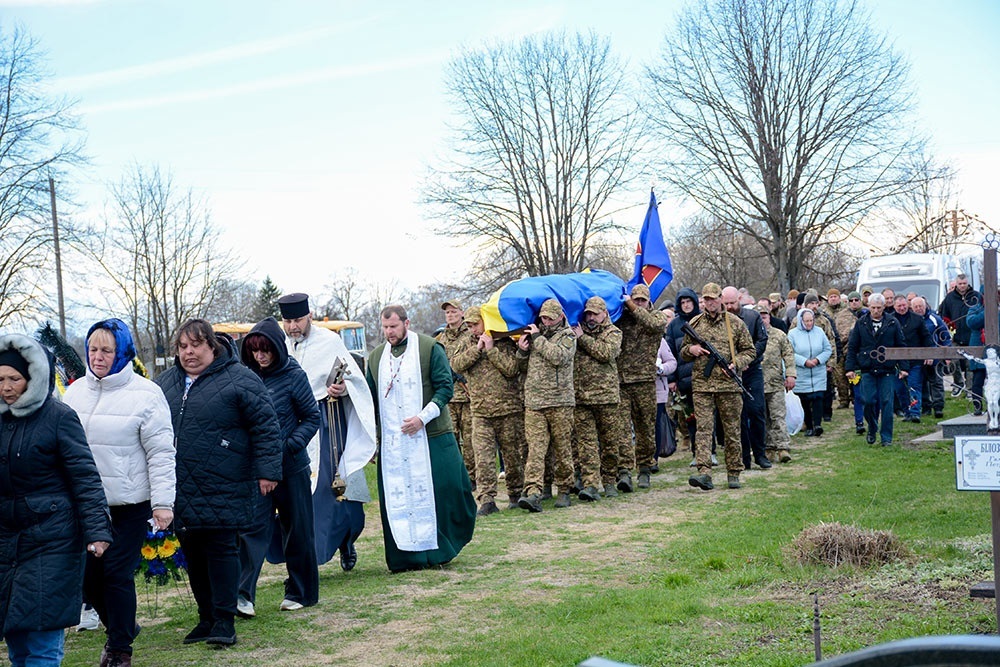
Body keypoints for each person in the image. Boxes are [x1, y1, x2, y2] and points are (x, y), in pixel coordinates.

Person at [155, 319, 282, 646]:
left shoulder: (240, 379)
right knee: (193, 554)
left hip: (226, 481)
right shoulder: (165, 383)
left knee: (223, 550)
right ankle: (206, 618)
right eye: (182, 347)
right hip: (181, 485)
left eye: (195, 345)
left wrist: (268, 470)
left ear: (212, 346)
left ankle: (225, 620)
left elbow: (266, 426)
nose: (188, 352)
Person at [63, 319, 175, 667]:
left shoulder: (146, 394)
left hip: (129, 503)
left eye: (107, 350)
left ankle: (119, 650)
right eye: (93, 349)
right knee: (87, 578)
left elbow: (161, 452)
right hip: (85, 503)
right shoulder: (75, 391)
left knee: (114, 572)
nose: (98, 357)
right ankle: (123, 627)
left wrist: (163, 504)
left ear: (122, 352)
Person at [0, 334, 113, 667]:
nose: (6, 387)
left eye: (14, 379)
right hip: (6, 541)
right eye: (0, 379)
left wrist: (97, 531)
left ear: (32, 378)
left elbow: (85, 477)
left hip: (52, 539)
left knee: (42, 633)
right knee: (15, 633)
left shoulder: (58, 417)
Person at [366, 305, 476, 572]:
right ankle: (407, 558)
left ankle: (441, 550)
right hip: (394, 443)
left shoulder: (429, 348)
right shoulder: (376, 357)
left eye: (393, 326)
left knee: (449, 489)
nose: (389, 332)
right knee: (399, 499)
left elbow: (445, 388)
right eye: (385, 327)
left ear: (406, 323)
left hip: (431, 433)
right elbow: (368, 396)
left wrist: (421, 418)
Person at [279, 293, 377, 574]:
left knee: (330, 488)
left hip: (326, 422)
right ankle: (309, 555)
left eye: (297, 320)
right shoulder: (281, 344)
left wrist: (343, 388)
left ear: (309, 316)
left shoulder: (329, 341)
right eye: (288, 321)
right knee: (298, 494)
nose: (293, 326)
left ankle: (345, 542)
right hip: (291, 425)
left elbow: (353, 379)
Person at [236, 318, 321, 617]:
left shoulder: (293, 375)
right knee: (252, 529)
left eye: (266, 350)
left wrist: (289, 445)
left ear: (276, 349)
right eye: (255, 351)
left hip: (292, 466)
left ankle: (301, 591)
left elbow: (312, 417)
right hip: (257, 468)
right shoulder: (246, 377)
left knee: (297, 529)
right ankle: (242, 594)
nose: (260, 356)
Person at [449, 306, 526, 515]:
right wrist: (477, 350)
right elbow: (455, 365)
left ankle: (515, 494)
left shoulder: (503, 341)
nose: (473, 329)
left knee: (512, 456)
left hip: (508, 409)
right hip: (481, 411)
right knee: (483, 458)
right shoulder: (466, 343)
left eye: (476, 324)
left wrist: (491, 350)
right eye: (470, 325)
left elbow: (512, 369)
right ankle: (487, 499)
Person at [681, 283, 756, 491]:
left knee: (732, 430)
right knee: (704, 430)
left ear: (721, 299)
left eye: (714, 298)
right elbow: (683, 352)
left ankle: (733, 472)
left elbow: (750, 351)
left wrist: (735, 364)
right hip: (702, 386)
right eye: (706, 299)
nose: (710, 302)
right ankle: (704, 472)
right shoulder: (695, 323)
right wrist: (692, 349)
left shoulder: (734, 323)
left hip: (729, 386)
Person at [515, 298, 577, 511]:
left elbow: (558, 356)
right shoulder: (534, 335)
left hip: (560, 401)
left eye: (550, 318)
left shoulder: (568, 336)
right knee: (536, 449)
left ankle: (565, 489)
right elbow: (521, 367)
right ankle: (533, 492)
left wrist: (537, 338)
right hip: (534, 402)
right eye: (543, 317)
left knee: (562, 448)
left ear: (560, 317)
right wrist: (522, 351)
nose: (546, 321)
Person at [571, 296, 626, 500]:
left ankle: (610, 480)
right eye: (588, 313)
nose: (591, 317)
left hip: (606, 397)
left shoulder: (613, 332)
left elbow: (605, 353)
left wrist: (582, 338)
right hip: (582, 398)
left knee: (610, 442)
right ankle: (590, 484)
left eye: (595, 313)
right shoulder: (576, 332)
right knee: (586, 444)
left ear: (605, 314)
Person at [617, 284, 670, 490]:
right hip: (622, 382)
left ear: (649, 302)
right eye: (635, 299)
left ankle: (645, 468)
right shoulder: (622, 318)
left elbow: (651, 324)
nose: (638, 303)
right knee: (621, 430)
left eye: (642, 300)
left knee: (645, 429)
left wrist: (631, 305)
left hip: (646, 382)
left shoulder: (657, 318)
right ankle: (624, 471)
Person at [845, 295, 909, 446]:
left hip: (887, 369)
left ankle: (886, 437)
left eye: (879, 308)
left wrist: (904, 367)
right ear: (868, 306)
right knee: (867, 401)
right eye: (873, 308)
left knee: (887, 402)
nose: (875, 311)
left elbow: (901, 345)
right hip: (867, 368)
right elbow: (853, 346)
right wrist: (850, 368)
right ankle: (872, 427)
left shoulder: (892, 322)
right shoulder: (861, 323)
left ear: (884, 307)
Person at [722, 286, 770, 469]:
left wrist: (749, 359)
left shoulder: (752, 317)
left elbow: (761, 341)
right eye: (725, 303)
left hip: (752, 371)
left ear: (739, 299)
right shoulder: (720, 320)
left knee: (757, 410)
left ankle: (760, 454)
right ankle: (743, 458)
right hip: (730, 373)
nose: (729, 306)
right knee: (737, 416)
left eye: (732, 303)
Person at [436, 300, 475, 482]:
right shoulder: (440, 339)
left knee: (470, 440)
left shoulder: (470, 335)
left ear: (462, 313)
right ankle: (456, 475)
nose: (450, 315)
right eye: (447, 313)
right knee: (450, 438)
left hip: (467, 395)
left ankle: (472, 477)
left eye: (453, 311)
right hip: (448, 397)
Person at [665, 287, 702, 466]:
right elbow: (670, 352)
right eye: (683, 303)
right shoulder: (674, 325)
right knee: (691, 418)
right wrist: (672, 379)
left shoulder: (703, 320)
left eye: (689, 301)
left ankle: (708, 451)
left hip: (704, 377)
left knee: (707, 417)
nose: (686, 305)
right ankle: (696, 453)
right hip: (683, 380)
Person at [757, 306, 796, 462]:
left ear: (769, 317)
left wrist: (791, 375)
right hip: (757, 384)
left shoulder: (779, 335)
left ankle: (783, 448)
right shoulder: (750, 335)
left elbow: (789, 355)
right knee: (762, 418)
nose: (762, 320)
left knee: (778, 416)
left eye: (765, 316)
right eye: (759, 317)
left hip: (775, 383)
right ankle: (768, 448)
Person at [788, 309, 832, 437]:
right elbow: (789, 353)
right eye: (806, 321)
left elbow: (827, 349)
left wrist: (818, 360)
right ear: (801, 321)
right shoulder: (792, 334)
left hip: (818, 370)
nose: (809, 323)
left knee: (818, 397)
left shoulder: (819, 332)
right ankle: (809, 425)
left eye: (811, 320)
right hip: (802, 371)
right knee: (805, 400)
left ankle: (818, 424)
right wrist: (804, 361)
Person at [889, 294, 932, 423]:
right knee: (900, 388)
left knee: (914, 386)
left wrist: (929, 354)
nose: (902, 308)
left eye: (904, 305)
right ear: (894, 307)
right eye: (899, 306)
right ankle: (906, 412)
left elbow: (926, 337)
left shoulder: (917, 319)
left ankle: (915, 412)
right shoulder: (890, 320)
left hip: (915, 360)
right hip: (897, 362)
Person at [939, 274, 980, 396]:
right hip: (955, 335)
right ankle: (958, 383)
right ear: (956, 284)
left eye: (964, 283)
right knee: (953, 360)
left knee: (970, 363)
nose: (962, 286)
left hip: (972, 334)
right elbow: (944, 315)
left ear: (968, 283)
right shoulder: (950, 298)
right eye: (960, 284)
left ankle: (970, 388)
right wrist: (948, 328)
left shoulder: (976, 296)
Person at [909, 296, 949, 419]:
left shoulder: (934, 319)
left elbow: (945, 336)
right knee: (921, 383)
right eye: (916, 307)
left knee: (936, 382)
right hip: (917, 357)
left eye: (921, 306)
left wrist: (947, 355)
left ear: (925, 306)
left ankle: (938, 407)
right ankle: (925, 407)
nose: (919, 309)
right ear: (912, 308)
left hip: (935, 357)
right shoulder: (910, 321)